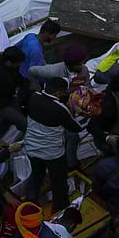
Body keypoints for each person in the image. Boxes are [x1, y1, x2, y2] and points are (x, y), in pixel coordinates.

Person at [24, 77, 83, 212]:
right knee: (59, 182)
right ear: (58, 93)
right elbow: (77, 127)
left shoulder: (34, 97)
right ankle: (60, 209)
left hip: (32, 148)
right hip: (53, 154)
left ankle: (28, 206)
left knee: (37, 176)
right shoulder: (59, 108)